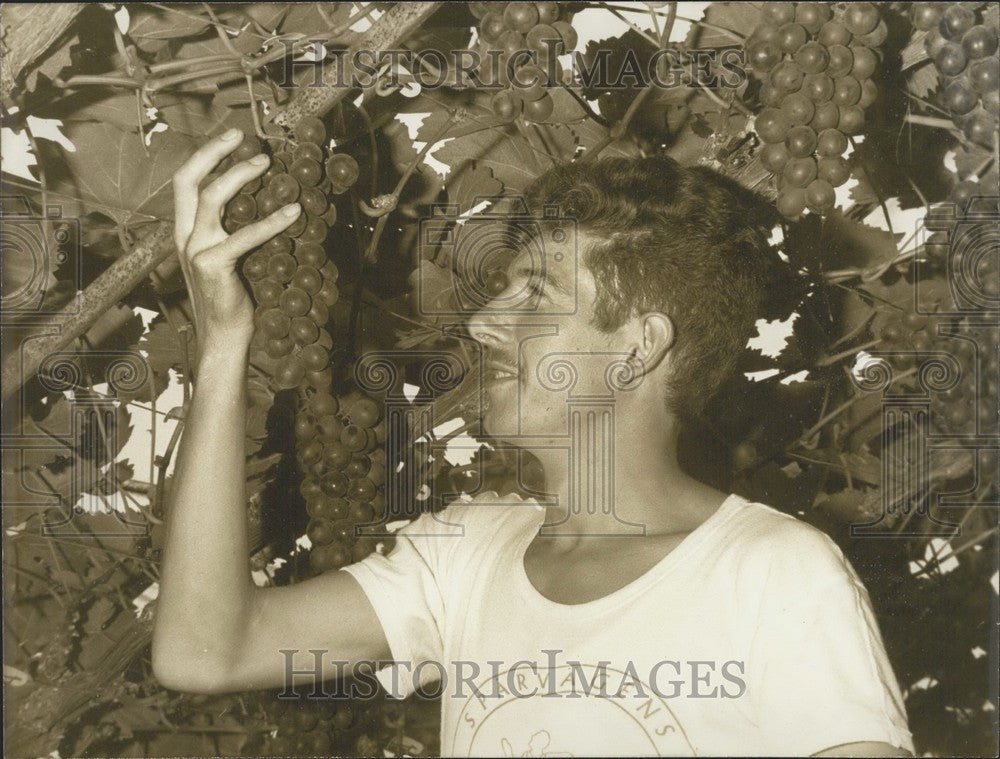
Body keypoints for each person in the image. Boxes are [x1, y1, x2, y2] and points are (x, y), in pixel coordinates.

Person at [153, 128, 914, 757]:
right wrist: (223, 344)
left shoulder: (774, 572)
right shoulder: (462, 553)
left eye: (537, 297)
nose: (484, 322)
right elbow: (203, 648)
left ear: (638, 348)